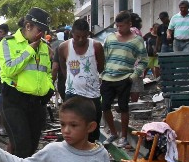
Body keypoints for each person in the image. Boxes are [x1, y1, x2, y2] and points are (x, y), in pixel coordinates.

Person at [0, 7, 54, 162]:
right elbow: (10, 69)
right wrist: (30, 48)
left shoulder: (45, 47)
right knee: (21, 148)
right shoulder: (8, 43)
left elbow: (46, 72)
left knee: (30, 149)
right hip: (14, 101)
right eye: (39, 30)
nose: (42, 35)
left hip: (37, 103)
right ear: (28, 26)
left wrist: (50, 89)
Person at [100, 11, 147, 148]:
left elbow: (144, 61)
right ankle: (113, 132)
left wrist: (133, 76)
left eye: (122, 26)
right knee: (105, 106)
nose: (119, 29)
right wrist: (102, 73)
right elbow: (105, 56)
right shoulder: (110, 38)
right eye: (117, 26)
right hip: (108, 77)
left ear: (129, 24)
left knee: (123, 108)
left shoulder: (137, 40)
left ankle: (124, 136)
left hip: (125, 77)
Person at [55, 19, 105, 143]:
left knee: (92, 129)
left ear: (88, 33)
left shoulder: (96, 46)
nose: (81, 40)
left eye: (84, 36)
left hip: (92, 94)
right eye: (77, 36)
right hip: (72, 93)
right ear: (72, 33)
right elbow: (63, 69)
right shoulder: (64, 47)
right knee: (72, 127)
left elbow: (100, 67)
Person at [128, 13, 145, 102]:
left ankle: (130, 105)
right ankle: (134, 104)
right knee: (135, 85)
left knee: (131, 85)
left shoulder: (131, 30)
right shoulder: (137, 31)